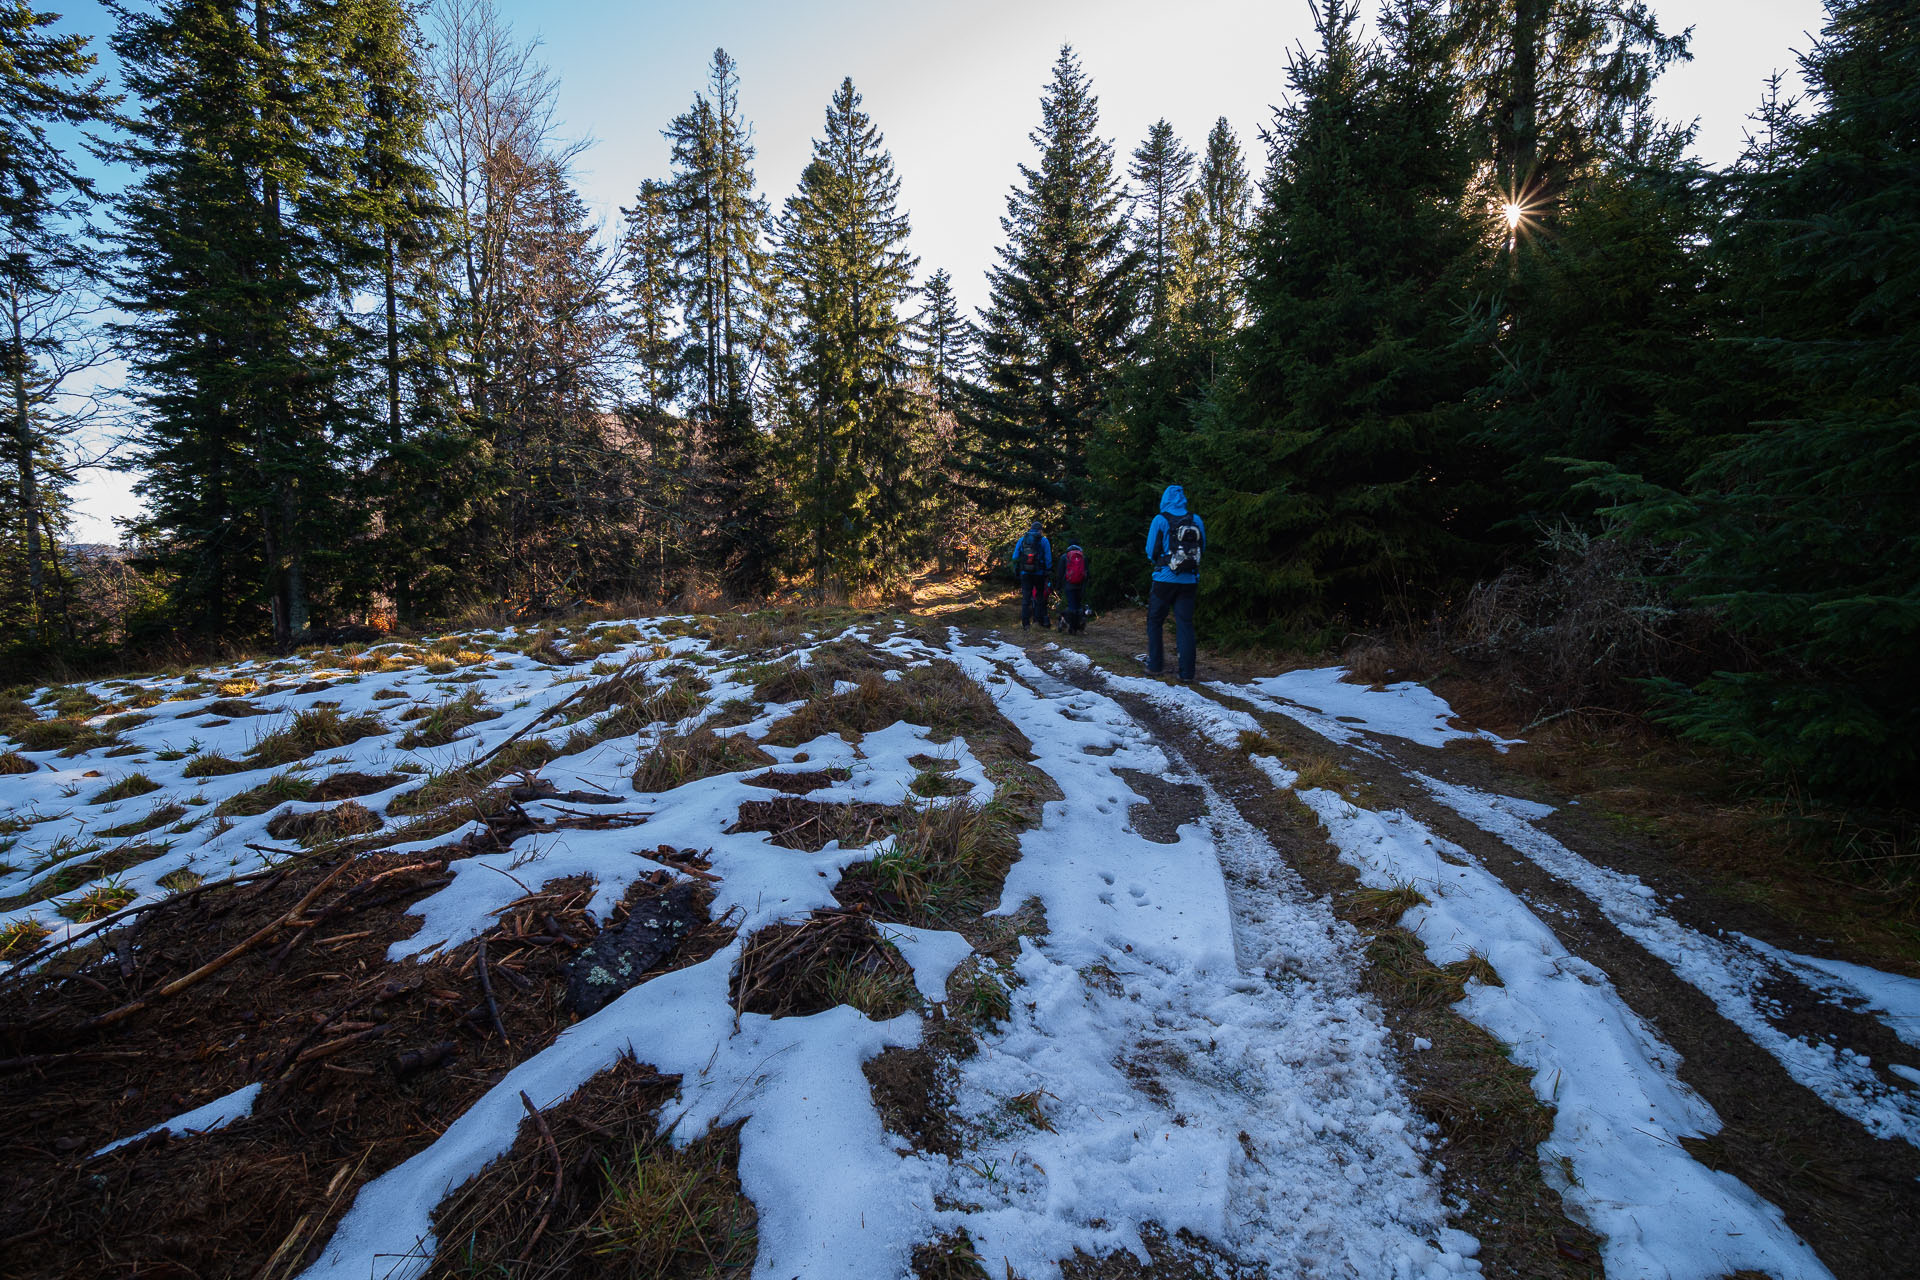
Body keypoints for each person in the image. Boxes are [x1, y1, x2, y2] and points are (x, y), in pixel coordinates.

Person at [1143, 484, 1205, 680]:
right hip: (1189, 580)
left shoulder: (1160, 520)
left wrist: (1162, 563)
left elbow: (1150, 550)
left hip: (1164, 579)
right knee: (1185, 624)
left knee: (1155, 621)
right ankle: (1187, 674)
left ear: (1165, 499)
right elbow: (1203, 547)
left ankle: (1155, 665)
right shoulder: (1196, 519)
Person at [1012, 520, 1052, 630]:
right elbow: (1048, 557)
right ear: (1040, 530)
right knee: (1039, 597)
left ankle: (1025, 624)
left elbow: (1015, 556)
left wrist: (1016, 569)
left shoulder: (1022, 540)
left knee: (1026, 598)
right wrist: (1048, 569)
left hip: (1025, 573)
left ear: (1031, 528)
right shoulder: (1044, 541)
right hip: (1039, 573)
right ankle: (1037, 622)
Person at [1059, 543, 1090, 633]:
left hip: (1069, 585)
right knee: (1079, 606)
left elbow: (1060, 574)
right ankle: (1079, 625)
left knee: (1072, 606)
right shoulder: (1083, 557)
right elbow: (1087, 574)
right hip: (1081, 585)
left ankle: (1072, 628)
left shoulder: (1064, 557)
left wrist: (1060, 586)